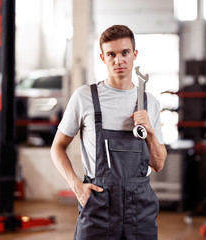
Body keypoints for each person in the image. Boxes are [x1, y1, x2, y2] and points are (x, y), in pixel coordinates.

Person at [50, 25, 167, 240]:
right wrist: (77, 187)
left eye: (125, 53)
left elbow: (158, 164)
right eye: (111, 54)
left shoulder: (150, 103)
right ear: (103, 58)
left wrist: (149, 131)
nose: (118, 60)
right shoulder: (84, 97)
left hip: (139, 208)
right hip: (98, 205)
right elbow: (57, 147)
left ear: (135, 55)